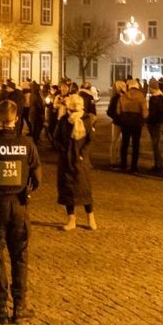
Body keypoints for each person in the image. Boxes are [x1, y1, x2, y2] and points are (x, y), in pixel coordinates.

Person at [0, 100, 40, 324]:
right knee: (20, 255)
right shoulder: (27, 144)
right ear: (17, 118)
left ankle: (0, 305)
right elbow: (37, 177)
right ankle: (20, 305)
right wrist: (26, 189)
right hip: (19, 206)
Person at [55, 95, 95, 231]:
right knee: (68, 190)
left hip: (81, 162)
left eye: (77, 105)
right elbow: (56, 138)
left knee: (84, 189)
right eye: (73, 106)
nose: (74, 108)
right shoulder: (63, 121)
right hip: (66, 161)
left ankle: (91, 218)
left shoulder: (87, 120)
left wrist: (83, 153)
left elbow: (90, 140)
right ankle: (71, 219)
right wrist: (63, 150)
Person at [116, 80, 146, 173]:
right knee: (135, 145)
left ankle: (123, 164)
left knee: (124, 143)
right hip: (136, 122)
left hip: (125, 121)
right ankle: (134, 167)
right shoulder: (141, 96)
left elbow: (118, 111)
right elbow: (145, 113)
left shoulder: (123, 96)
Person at [145, 82, 163, 173]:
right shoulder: (161, 97)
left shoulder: (154, 99)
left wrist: (148, 120)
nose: (149, 89)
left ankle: (158, 165)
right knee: (156, 144)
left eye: (150, 87)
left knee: (155, 145)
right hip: (159, 123)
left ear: (152, 88)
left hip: (155, 124)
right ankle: (159, 163)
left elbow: (153, 113)